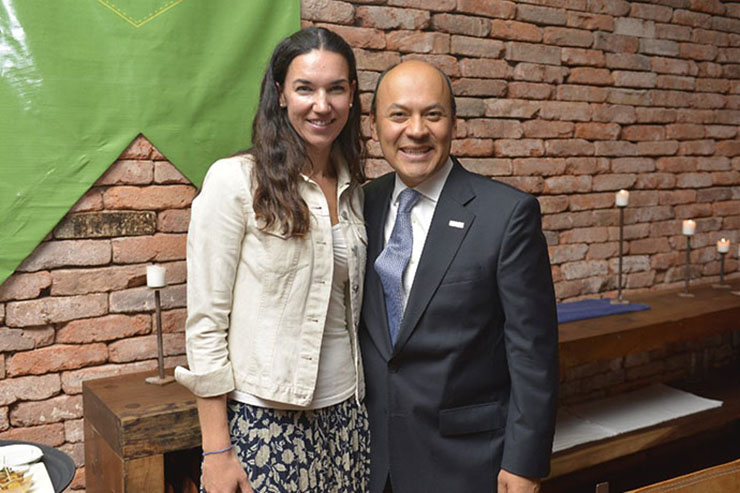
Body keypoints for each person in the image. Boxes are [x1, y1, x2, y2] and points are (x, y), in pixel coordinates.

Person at [175, 27, 369, 493]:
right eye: (305, 88)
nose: (321, 105)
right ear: (281, 95)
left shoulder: (355, 190)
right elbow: (206, 324)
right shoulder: (234, 182)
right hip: (264, 421)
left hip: (349, 416)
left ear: (352, 95)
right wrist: (216, 450)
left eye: (335, 89)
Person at [360, 60, 559, 493]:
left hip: (466, 464)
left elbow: (532, 351)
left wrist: (525, 463)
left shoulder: (506, 215)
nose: (416, 130)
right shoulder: (361, 205)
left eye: (433, 114)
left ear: (453, 123)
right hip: (372, 461)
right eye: (399, 115)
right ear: (375, 126)